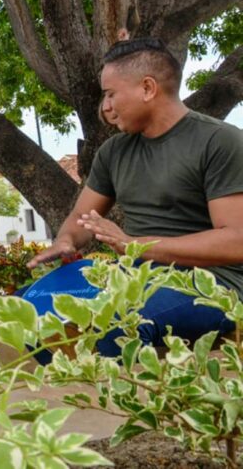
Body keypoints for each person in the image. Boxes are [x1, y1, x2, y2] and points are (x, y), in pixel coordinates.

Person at [29, 36, 243, 355]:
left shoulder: (219, 141)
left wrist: (134, 244)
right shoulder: (113, 152)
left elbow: (236, 241)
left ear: (147, 88)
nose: (105, 108)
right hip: (138, 275)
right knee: (30, 312)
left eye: (111, 94)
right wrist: (66, 241)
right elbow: (81, 218)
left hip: (213, 283)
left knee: (111, 326)